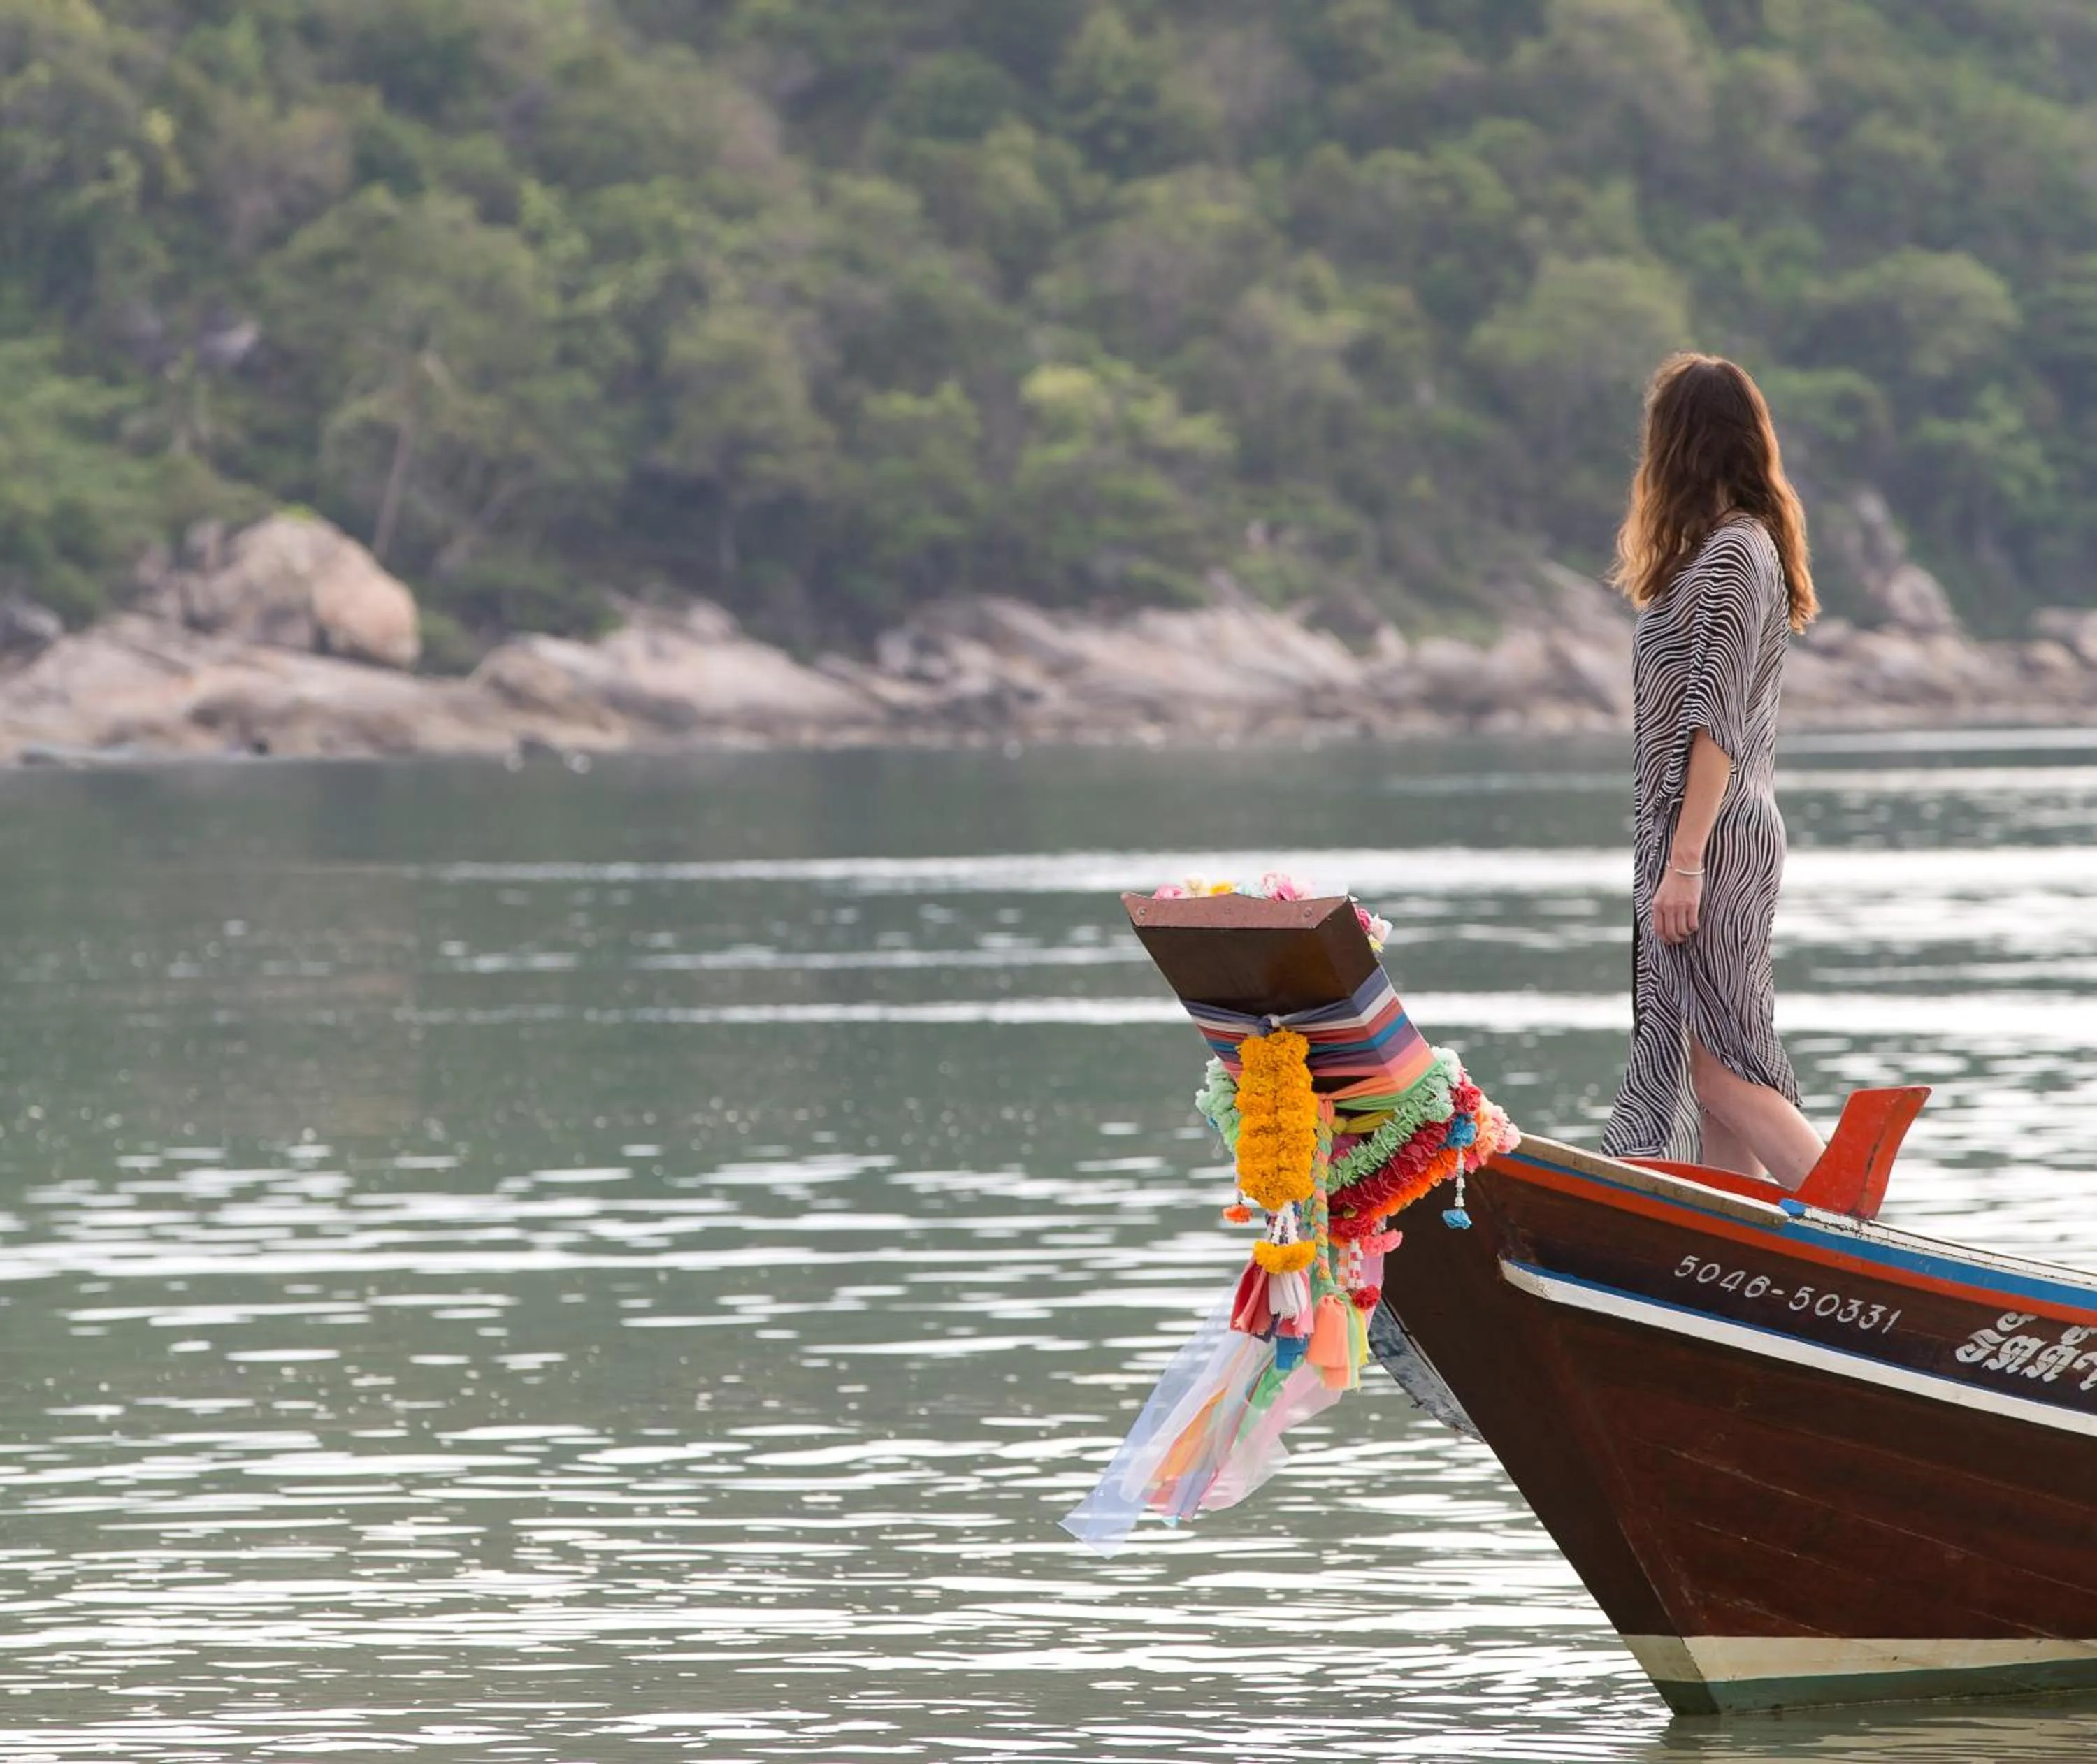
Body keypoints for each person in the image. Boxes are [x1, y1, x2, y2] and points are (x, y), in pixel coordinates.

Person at [1599, 353, 1826, 1188]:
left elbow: (1716, 723)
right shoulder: (1718, 553)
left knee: (1718, 1063)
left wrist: (1686, 858)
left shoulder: (1736, 554)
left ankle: (1862, 1233)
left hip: (1715, 833)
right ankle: (1744, 1241)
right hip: (1706, 828)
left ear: (1679, 444)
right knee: (1716, 1067)